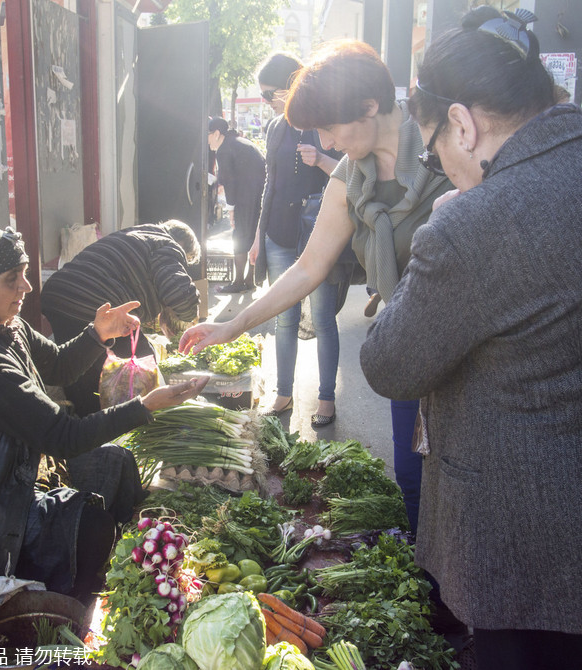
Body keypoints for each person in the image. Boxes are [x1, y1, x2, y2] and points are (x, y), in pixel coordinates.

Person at [360, 7, 582, 667]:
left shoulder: (473, 222)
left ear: (462, 122)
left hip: (520, 549)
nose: (438, 163)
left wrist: (438, 231)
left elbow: (389, 366)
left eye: (433, 149)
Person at [180, 41, 453, 536]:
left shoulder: (447, 150)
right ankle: (433, 595)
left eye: (330, 126)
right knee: (412, 482)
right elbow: (307, 269)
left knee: (459, 485)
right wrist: (233, 325)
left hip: (464, 353)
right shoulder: (349, 177)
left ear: (369, 106)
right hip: (410, 348)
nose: (325, 141)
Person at [0, 224, 208, 601]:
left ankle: (95, 568)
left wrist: (98, 334)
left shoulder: (8, 328)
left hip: (12, 474)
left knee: (118, 464)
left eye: (25, 274)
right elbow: (63, 436)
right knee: (92, 528)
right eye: (11, 279)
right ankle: (70, 605)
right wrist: (145, 406)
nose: (26, 287)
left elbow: (60, 366)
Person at [249, 51, 344, 423]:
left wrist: (320, 160)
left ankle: (326, 398)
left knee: (322, 319)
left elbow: (352, 176)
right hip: (278, 235)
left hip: (317, 235)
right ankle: (284, 392)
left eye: (268, 94)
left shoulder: (324, 122)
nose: (266, 102)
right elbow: (269, 185)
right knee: (283, 318)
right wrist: (258, 235)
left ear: (291, 85)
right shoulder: (276, 128)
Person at [41, 220, 201, 417]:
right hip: (94, 301)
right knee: (142, 363)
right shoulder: (168, 245)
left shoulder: (138, 235)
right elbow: (178, 292)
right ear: (182, 245)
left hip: (58, 295)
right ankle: (137, 425)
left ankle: (86, 432)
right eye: (187, 259)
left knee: (78, 370)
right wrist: (190, 316)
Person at [207, 116, 266, 293]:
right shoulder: (238, 142)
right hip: (258, 193)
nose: (206, 139)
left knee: (240, 235)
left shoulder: (224, 149)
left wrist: (231, 210)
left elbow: (230, 182)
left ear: (217, 134)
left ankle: (239, 281)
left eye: (208, 134)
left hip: (247, 195)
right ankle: (249, 280)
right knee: (252, 236)